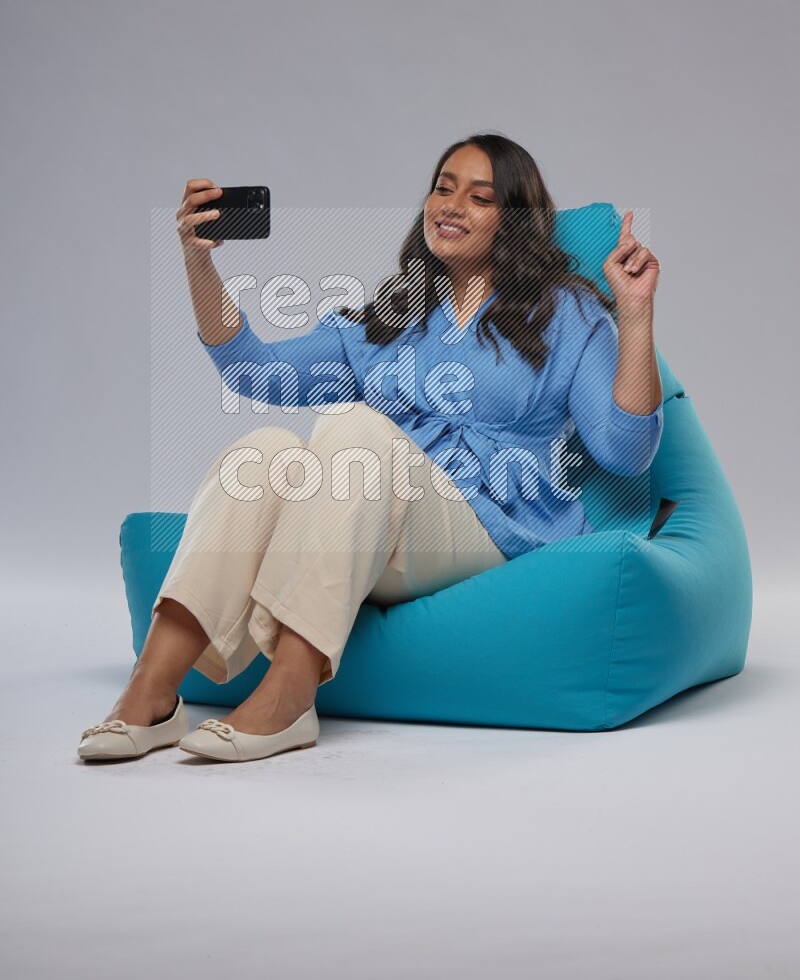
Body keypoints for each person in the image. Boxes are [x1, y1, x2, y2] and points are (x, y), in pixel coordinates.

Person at [77, 132, 663, 763]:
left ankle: (290, 697)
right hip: (369, 526)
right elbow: (253, 372)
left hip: (490, 527)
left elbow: (626, 451)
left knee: (356, 430)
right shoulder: (393, 311)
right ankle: (153, 693)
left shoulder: (567, 314)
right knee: (265, 451)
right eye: (443, 187)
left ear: (515, 218)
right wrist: (199, 263)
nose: (452, 204)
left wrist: (633, 316)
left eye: (480, 196)